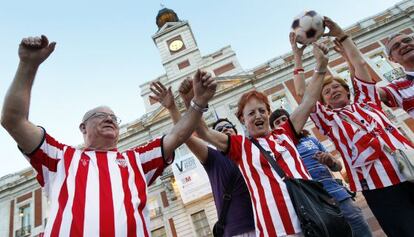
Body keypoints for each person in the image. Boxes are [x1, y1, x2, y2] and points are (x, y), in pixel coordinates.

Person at [0, 35, 217, 236]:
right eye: (100, 115)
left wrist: (198, 103)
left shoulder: (136, 160)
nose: (110, 119)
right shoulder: (61, 158)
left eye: (114, 117)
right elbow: (13, 120)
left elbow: (177, 135)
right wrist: (28, 65)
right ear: (83, 128)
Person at [177, 42, 329, 237]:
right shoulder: (241, 146)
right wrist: (193, 101)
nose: (258, 116)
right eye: (251, 113)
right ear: (242, 120)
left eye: (261, 111)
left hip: (314, 222)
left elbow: (308, 101)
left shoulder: (285, 133)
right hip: (275, 231)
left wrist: (321, 67)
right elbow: (204, 132)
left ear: (268, 113)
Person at [293, 17, 414, 237]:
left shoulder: (367, 100)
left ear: (348, 91)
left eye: (337, 88)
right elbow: (302, 95)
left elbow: (359, 64)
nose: (332, 92)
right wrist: (298, 57)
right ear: (323, 101)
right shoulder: (328, 119)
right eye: (326, 92)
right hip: (380, 188)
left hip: (411, 167)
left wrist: (341, 34)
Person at [149, 80, 256, 237]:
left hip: (267, 223)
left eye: (229, 127)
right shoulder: (213, 157)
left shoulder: (252, 151)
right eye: (220, 130)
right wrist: (173, 107)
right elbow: (186, 136)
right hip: (238, 231)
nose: (225, 129)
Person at [270, 108, 372, 237]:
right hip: (312, 201)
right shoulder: (277, 151)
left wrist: (330, 161)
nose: (282, 123)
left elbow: (338, 167)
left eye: (284, 119)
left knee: (359, 225)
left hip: (337, 193)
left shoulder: (311, 140)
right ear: (273, 130)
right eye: (277, 122)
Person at [378, 33, 414, 117]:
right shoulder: (399, 88)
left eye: (407, 41)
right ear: (392, 59)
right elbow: (368, 92)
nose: (404, 45)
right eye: (396, 46)